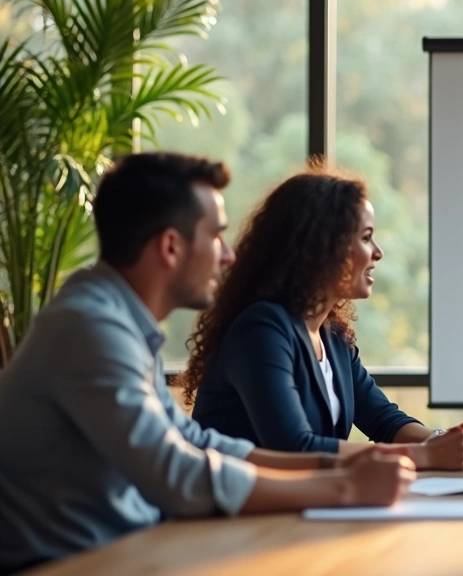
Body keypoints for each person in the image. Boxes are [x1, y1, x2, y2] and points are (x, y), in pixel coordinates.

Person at [0, 153, 415, 573]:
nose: (228, 255)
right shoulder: (89, 328)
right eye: (215, 235)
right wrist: (342, 487)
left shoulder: (116, 321)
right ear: (170, 246)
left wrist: (338, 465)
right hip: (66, 565)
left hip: (125, 551)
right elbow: (177, 474)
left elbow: (198, 443)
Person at [181, 168, 463, 470]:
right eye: (366, 238)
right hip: (242, 513)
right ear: (323, 246)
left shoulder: (332, 334)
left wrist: (441, 440)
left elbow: (383, 421)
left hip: (303, 506)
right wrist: (424, 456)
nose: (378, 253)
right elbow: (294, 448)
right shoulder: (261, 329)